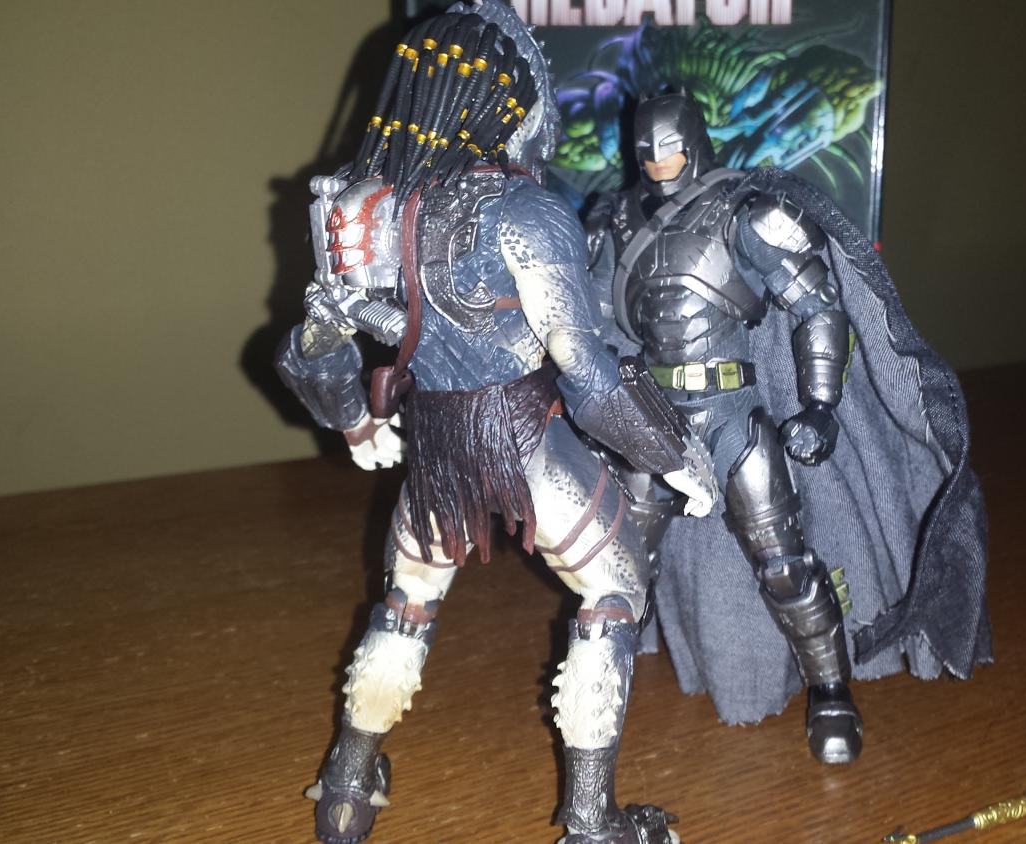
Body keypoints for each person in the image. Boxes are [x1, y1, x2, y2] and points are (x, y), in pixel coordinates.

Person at [276, 7, 713, 843]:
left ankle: (347, 789)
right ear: (516, 106)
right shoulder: (529, 211)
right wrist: (674, 453)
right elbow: (586, 372)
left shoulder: (377, 206)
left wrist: (354, 422)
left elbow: (316, 335)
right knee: (616, 590)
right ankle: (592, 822)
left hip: (435, 448)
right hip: (523, 438)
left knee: (407, 599)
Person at [585, 93, 991, 766]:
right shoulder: (621, 221)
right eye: (647, 152)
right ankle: (603, 684)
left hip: (730, 412)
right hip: (652, 418)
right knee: (619, 563)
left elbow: (817, 305)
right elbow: (597, 324)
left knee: (783, 562)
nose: (660, 163)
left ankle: (831, 690)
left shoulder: (746, 211)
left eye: (672, 148)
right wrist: (601, 409)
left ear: (696, 141)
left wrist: (821, 405)